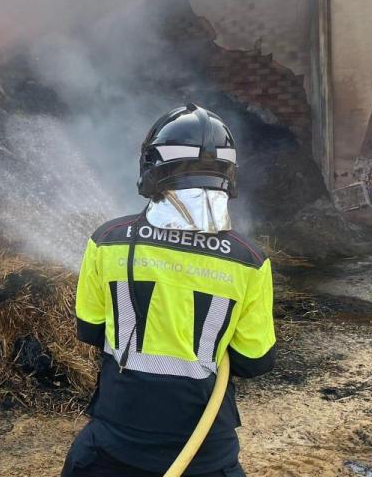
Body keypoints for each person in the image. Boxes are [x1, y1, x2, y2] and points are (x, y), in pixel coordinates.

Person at [61, 104, 276, 477]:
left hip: (115, 445)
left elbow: (91, 330)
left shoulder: (107, 241)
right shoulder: (250, 260)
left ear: (152, 167)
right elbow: (254, 362)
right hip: (206, 453)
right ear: (227, 172)